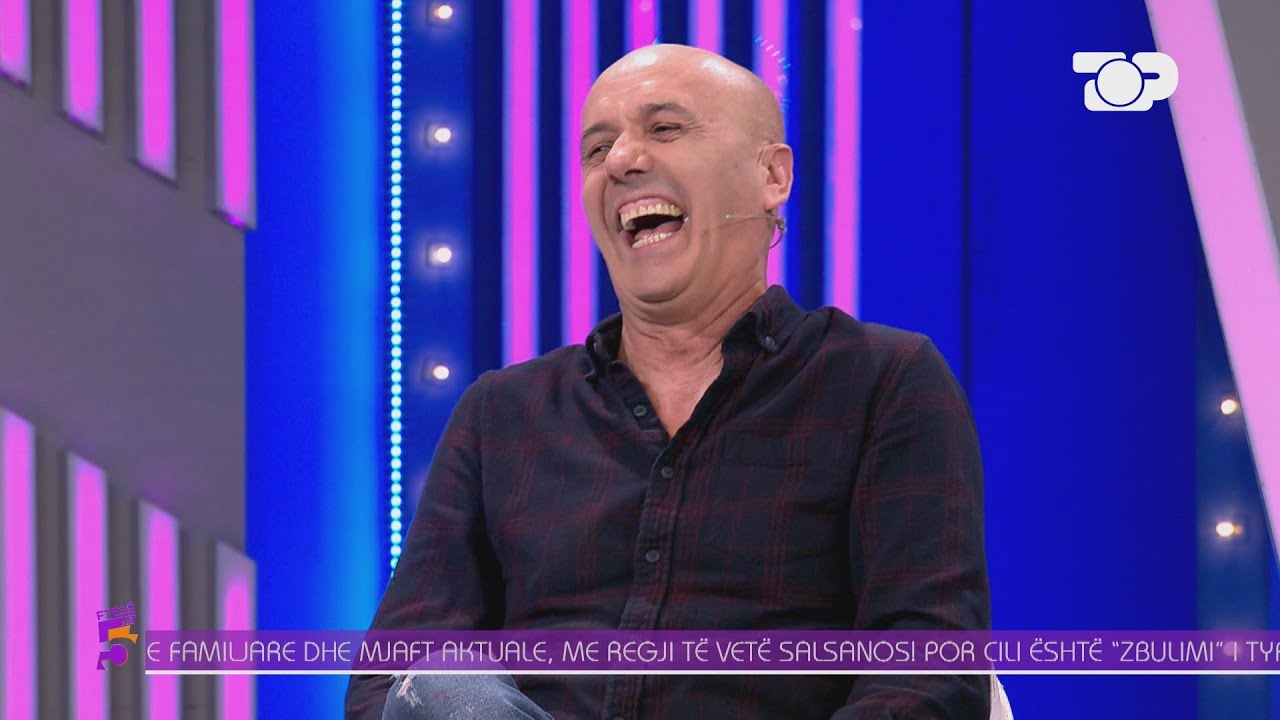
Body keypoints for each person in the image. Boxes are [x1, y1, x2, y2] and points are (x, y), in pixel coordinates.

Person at [346, 43, 990, 719]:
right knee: (442, 681)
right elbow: (388, 682)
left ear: (772, 176)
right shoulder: (502, 413)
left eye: (665, 128)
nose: (621, 161)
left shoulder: (882, 382)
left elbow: (928, 672)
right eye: (597, 149)